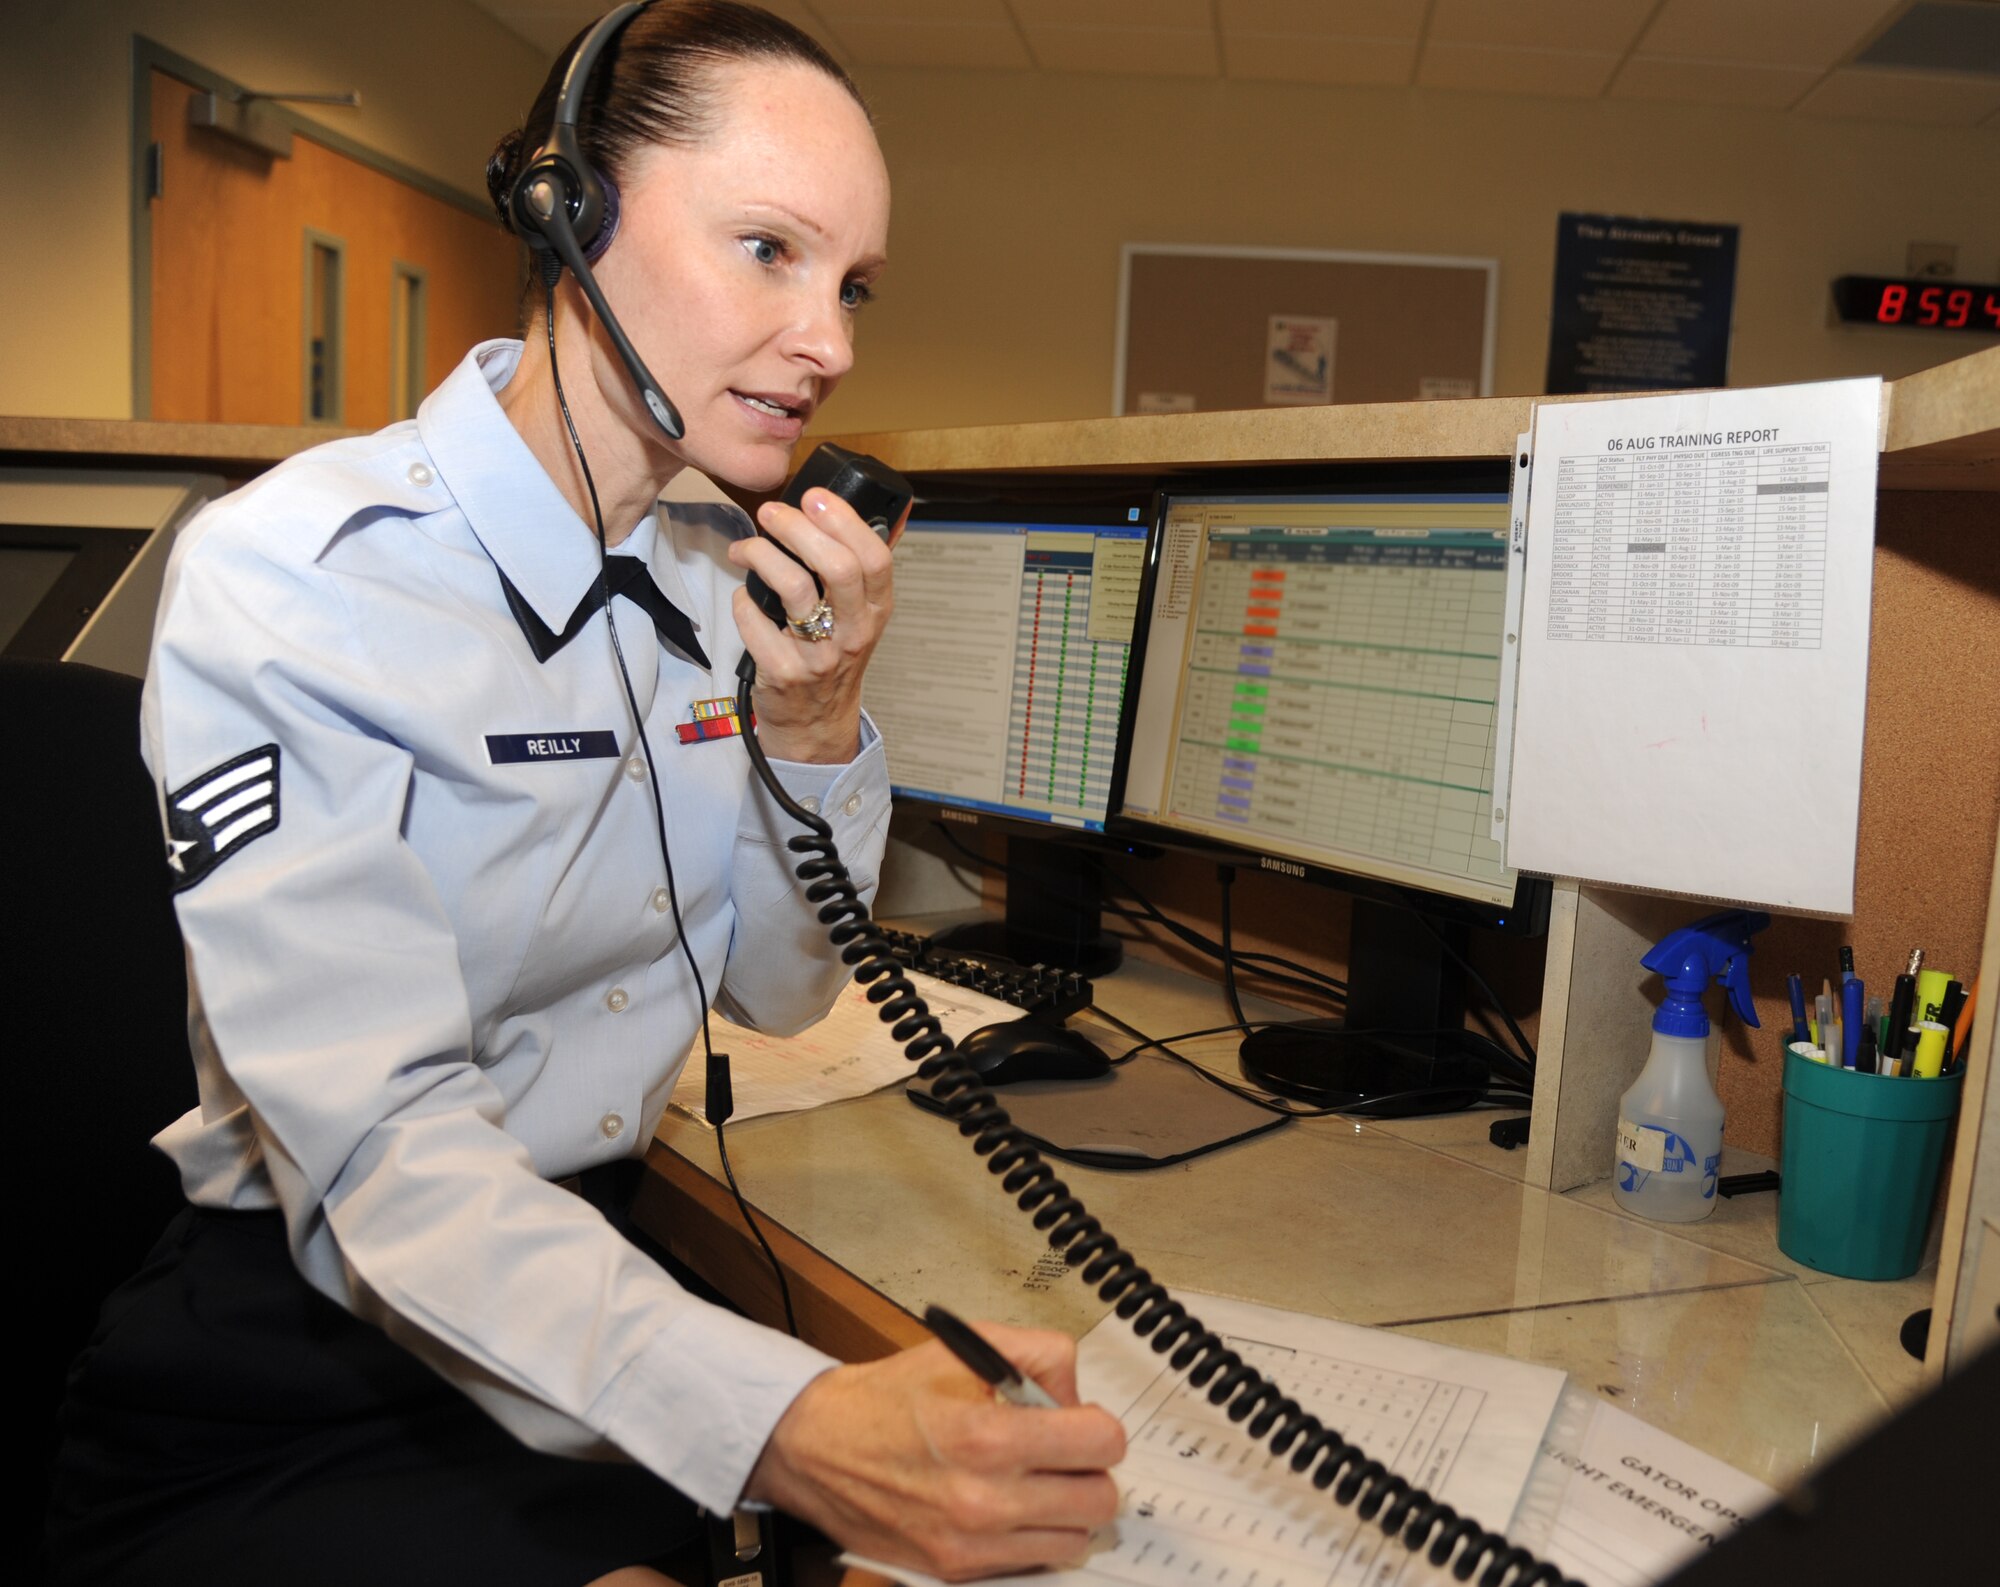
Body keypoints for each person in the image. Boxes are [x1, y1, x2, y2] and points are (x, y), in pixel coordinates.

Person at [45, 5, 1124, 1583]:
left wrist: (812, 722)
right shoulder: (298, 577)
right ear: (571, 217)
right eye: (770, 250)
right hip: (310, 1343)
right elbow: (380, 1148)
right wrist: (788, 1422)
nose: (831, 342)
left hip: (590, 1295)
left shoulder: (715, 574)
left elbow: (777, 990)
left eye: (852, 285)